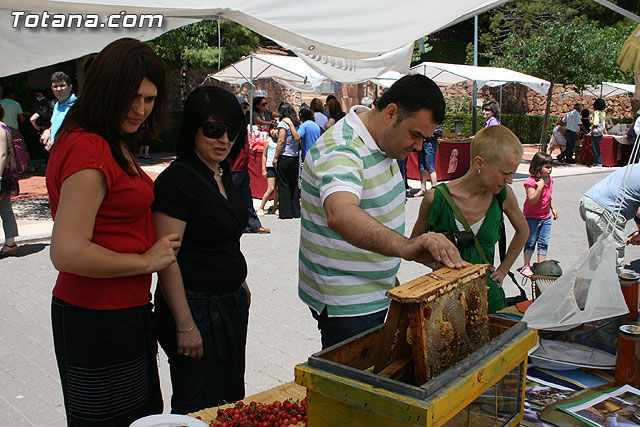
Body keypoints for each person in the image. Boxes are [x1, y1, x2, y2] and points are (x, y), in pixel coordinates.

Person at [46, 38, 180, 426]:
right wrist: (145, 260)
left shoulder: (106, 140)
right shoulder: (89, 147)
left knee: (139, 416)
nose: (140, 110)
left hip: (121, 310)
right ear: (107, 90)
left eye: (150, 99)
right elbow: (67, 251)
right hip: (96, 316)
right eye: (132, 97)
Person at [299, 74, 465, 349]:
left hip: (375, 288)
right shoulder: (342, 148)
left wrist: (401, 258)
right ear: (391, 113)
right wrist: (406, 247)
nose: (418, 146)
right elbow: (341, 213)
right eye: (415, 134)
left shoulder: (379, 140)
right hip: (349, 302)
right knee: (357, 386)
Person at [152, 85, 252, 414]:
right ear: (193, 128)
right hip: (194, 305)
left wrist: (238, 280)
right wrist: (185, 324)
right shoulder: (178, 180)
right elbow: (167, 258)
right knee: (196, 401)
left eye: (232, 131)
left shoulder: (220, 173)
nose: (224, 139)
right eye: (213, 130)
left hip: (229, 302)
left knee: (230, 396)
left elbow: (224, 238)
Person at [411, 125, 529, 313]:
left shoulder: (503, 196)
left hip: (490, 299)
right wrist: (439, 267)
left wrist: (503, 269)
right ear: (480, 163)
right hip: (446, 303)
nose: (510, 180)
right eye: (505, 173)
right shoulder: (436, 198)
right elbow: (412, 247)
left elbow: (523, 231)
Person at [579, 164, 640, 275]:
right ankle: (609, 290)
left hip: (591, 202)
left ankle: (595, 288)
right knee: (611, 262)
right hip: (605, 210)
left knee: (599, 257)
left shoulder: (636, 167)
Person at [517, 152, 558, 277]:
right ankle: (526, 265)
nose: (549, 170)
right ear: (537, 167)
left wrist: (553, 208)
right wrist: (539, 187)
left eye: (550, 166)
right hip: (532, 217)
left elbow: (548, 196)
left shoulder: (549, 179)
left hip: (546, 217)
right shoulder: (530, 182)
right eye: (547, 167)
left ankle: (541, 265)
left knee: (543, 242)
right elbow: (532, 199)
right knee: (531, 241)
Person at [273, 102, 301, 219]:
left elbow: (281, 141)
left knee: (283, 184)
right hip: (294, 157)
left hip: (285, 156)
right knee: (293, 184)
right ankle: (295, 210)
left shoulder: (283, 124)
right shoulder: (295, 123)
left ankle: (285, 212)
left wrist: (275, 157)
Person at [0, 103, 19, 258]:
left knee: (6, 211)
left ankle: (10, 244)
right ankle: (10, 244)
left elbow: (2, 155)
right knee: (6, 210)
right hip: (6, 177)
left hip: (2, 177)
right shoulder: (4, 126)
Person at [41, 71, 77, 151]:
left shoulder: (76, 106)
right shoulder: (57, 105)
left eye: (62, 85)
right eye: (55, 86)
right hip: (56, 152)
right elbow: (56, 124)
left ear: (70, 87)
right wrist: (48, 131)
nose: (59, 89)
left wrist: (57, 142)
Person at [1, 87, 33, 172]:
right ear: (11, 95)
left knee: (3, 150)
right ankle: (30, 166)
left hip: (2, 129)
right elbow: (22, 119)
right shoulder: (16, 104)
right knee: (22, 147)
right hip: (13, 129)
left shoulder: (0, 103)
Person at [415, 125, 443, 197]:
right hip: (422, 143)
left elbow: (439, 132)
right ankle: (423, 189)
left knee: (431, 167)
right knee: (422, 167)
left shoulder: (435, 119)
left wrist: (427, 133)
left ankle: (433, 189)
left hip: (430, 143)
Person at [258, 122, 279, 216]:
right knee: (270, 188)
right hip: (270, 166)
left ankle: (275, 207)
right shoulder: (268, 141)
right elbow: (264, 155)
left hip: (278, 167)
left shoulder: (280, 140)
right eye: (272, 129)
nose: (273, 131)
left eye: (275, 129)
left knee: (277, 189)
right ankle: (261, 207)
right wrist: (263, 169)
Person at [591, 98, 607, 167]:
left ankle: (598, 162)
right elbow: (603, 123)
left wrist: (591, 127)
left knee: (595, 147)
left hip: (595, 132)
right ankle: (597, 161)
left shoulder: (596, 113)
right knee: (598, 147)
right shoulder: (603, 113)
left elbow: (595, 123)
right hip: (601, 132)